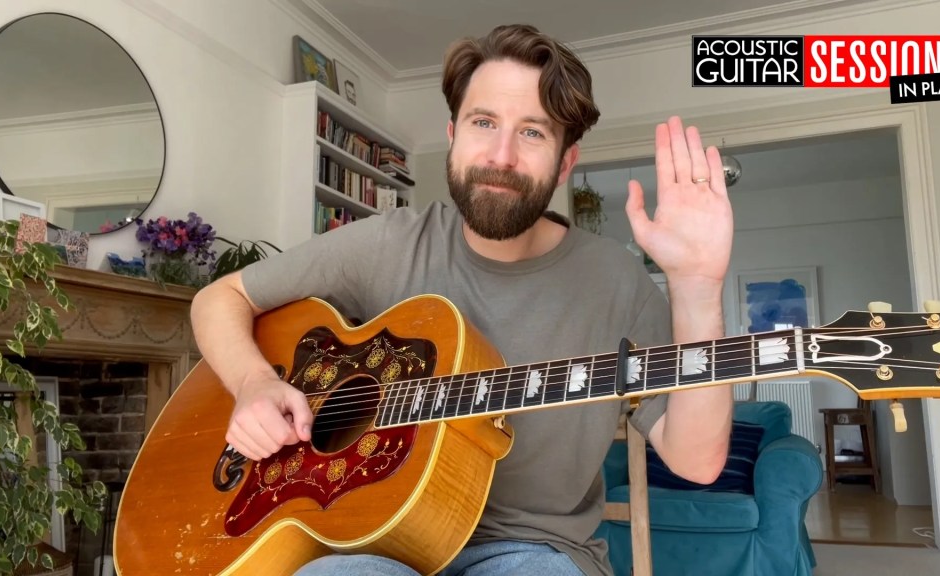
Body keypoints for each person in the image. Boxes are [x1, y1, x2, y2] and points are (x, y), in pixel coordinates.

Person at [190, 23, 734, 576]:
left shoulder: (616, 280)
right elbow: (220, 298)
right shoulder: (389, 243)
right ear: (453, 133)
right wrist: (253, 383)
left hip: (534, 550)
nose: (501, 155)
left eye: (533, 133)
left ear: (565, 162)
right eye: (484, 122)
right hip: (370, 542)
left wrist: (696, 285)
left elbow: (696, 461)